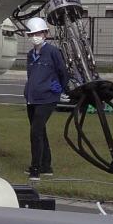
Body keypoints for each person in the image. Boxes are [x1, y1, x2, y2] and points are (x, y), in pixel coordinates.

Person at [23, 17, 70, 181]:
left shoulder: (52, 52)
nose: (35, 36)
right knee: (40, 131)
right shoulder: (31, 55)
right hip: (32, 98)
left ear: (45, 34)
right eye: (32, 33)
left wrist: (59, 89)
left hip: (47, 99)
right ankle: (46, 165)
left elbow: (63, 73)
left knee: (35, 131)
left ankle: (36, 168)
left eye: (38, 33)